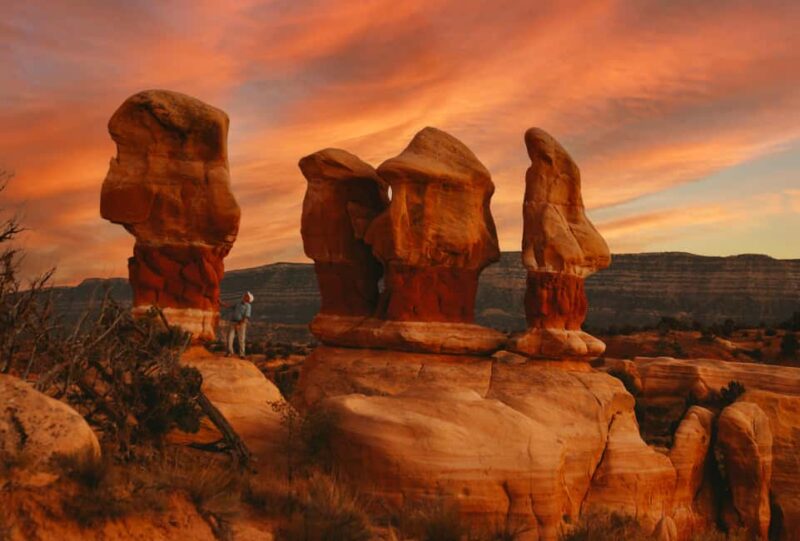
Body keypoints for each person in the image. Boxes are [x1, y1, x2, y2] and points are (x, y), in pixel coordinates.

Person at [226, 292, 253, 358]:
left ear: (249, 299)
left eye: (246, 296)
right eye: (245, 295)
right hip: (233, 322)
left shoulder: (248, 306)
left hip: (241, 323)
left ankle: (242, 354)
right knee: (229, 337)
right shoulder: (238, 303)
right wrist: (221, 303)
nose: (244, 296)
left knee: (241, 339)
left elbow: (246, 316)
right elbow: (230, 306)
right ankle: (230, 352)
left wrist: (239, 323)